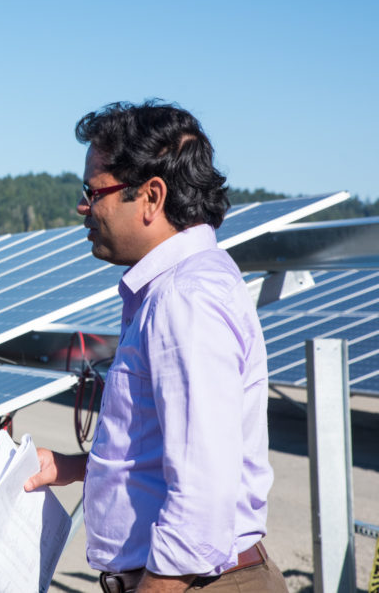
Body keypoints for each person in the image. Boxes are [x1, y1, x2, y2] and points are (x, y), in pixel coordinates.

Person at [25, 101, 287, 592]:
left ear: (150, 196)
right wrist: (72, 467)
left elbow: (202, 496)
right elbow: (171, 449)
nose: (83, 206)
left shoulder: (185, 300)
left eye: (93, 190)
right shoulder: (177, 290)